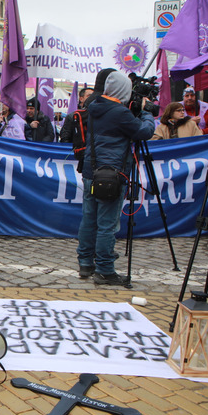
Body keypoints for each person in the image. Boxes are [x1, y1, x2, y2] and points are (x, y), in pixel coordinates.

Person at [76, 70, 155, 285]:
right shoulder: (120, 113)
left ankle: (85, 262)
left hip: (92, 171)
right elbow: (144, 132)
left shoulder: (94, 107)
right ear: (123, 91)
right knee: (107, 225)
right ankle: (104, 269)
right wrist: (147, 113)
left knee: (89, 219)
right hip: (112, 174)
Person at [60, 86, 98, 172]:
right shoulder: (73, 117)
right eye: (89, 96)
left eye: (93, 96)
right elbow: (65, 137)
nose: (92, 98)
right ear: (81, 98)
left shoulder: (98, 115)